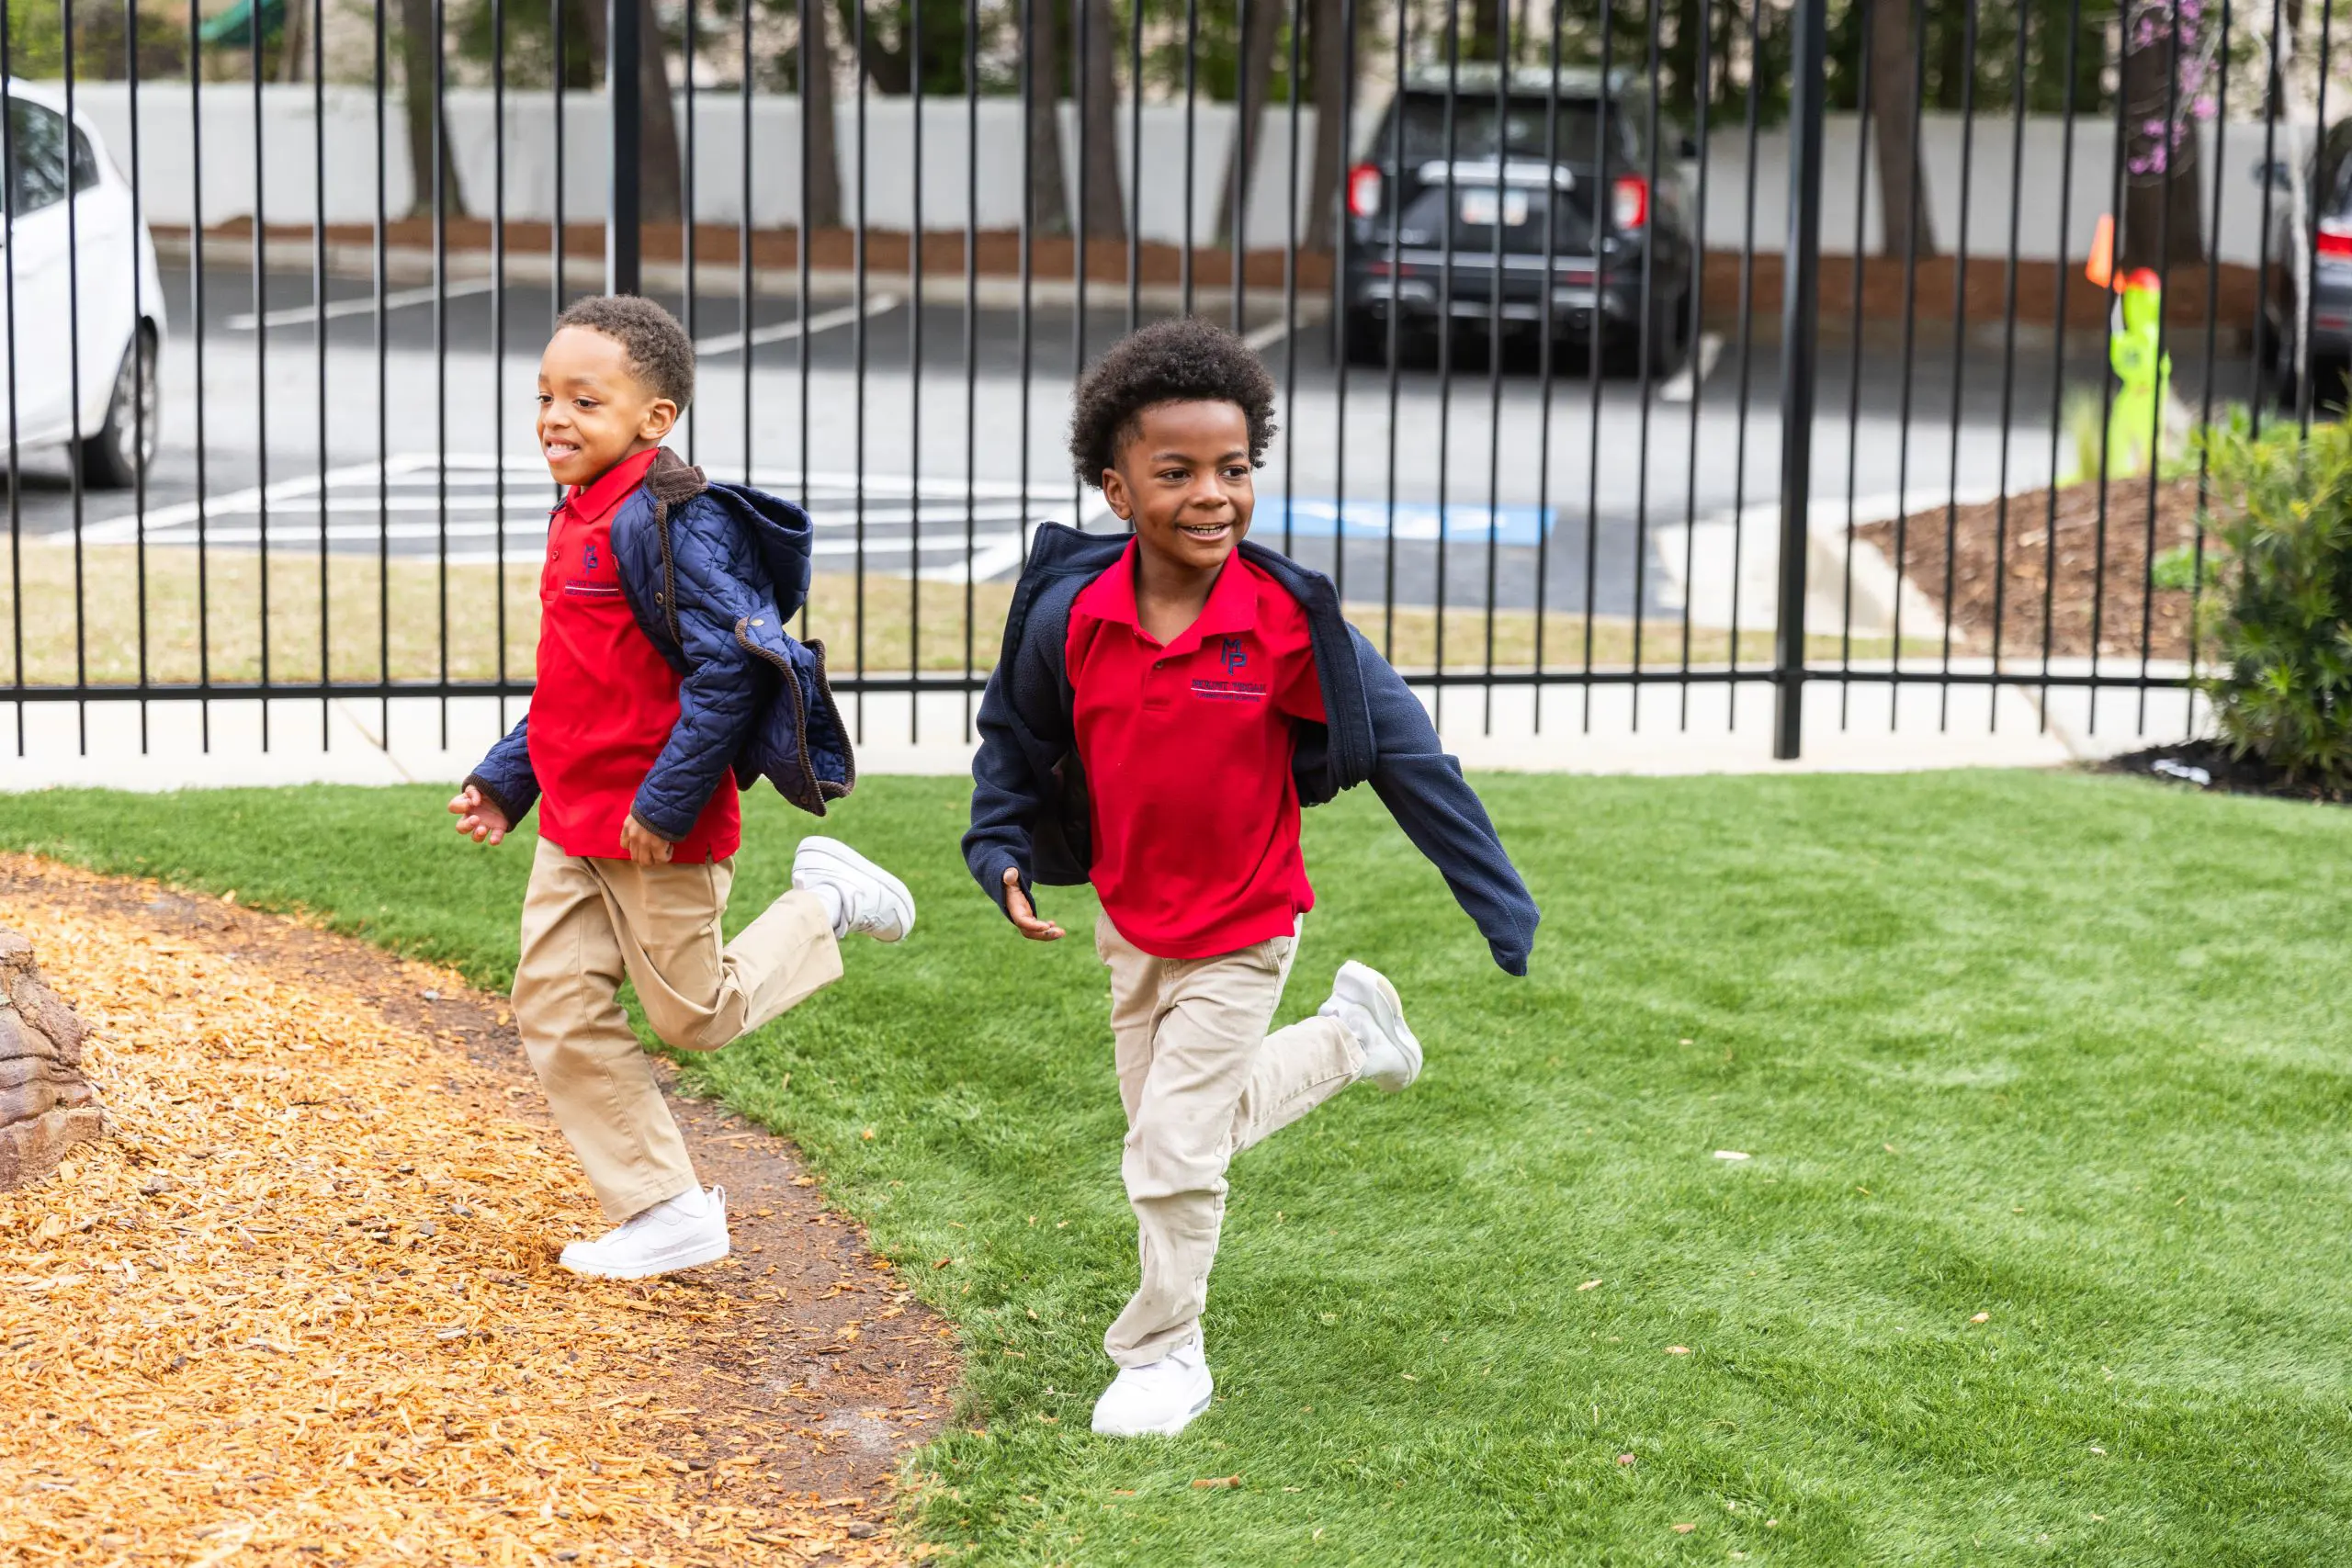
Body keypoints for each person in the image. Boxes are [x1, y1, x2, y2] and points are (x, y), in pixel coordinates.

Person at [964, 317, 1539, 1438]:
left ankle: (1163, 1355)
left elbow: (1411, 756)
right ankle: (1349, 1040)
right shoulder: (1070, 615)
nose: (1211, 494)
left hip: (1245, 925)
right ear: (1116, 489)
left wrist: (1496, 901)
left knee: (1170, 1153)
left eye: (1233, 468)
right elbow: (1014, 743)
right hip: (1133, 924)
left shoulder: (1283, 622)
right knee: (1179, 1134)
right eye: (1174, 472)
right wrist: (1001, 848)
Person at [448, 294, 911, 1280]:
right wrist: (505, 779)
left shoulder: (672, 524)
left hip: (657, 822)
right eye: (544, 397)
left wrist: (664, 803)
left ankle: (828, 899)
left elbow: (734, 670)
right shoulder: (575, 511)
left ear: (654, 420)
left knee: (693, 1016)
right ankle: (664, 1209)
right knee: (554, 1006)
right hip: (576, 821)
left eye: (584, 399)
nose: (554, 419)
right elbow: (577, 681)